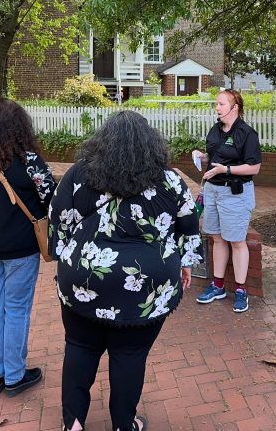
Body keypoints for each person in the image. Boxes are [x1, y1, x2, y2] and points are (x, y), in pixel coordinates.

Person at [49, 110, 202, 431]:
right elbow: (189, 225)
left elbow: (58, 221)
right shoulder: (170, 180)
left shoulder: (79, 175)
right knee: (130, 354)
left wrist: (64, 259)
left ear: (101, 142)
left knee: (80, 346)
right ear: (151, 145)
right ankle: (123, 424)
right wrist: (185, 263)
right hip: (146, 287)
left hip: (84, 281)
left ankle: (73, 424)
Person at [0, 97, 57, 398]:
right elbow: (50, 197)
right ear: (19, 128)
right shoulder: (29, 162)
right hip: (20, 248)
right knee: (16, 309)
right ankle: (15, 375)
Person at [191, 88, 261, 313]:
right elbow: (215, 154)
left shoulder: (247, 133)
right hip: (213, 190)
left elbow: (254, 167)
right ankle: (218, 285)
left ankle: (241, 290)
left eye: (221, 104)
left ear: (235, 107)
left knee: (237, 241)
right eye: (216, 104)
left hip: (235, 193)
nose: (217, 108)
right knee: (217, 238)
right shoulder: (216, 129)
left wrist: (226, 169)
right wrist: (202, 156)